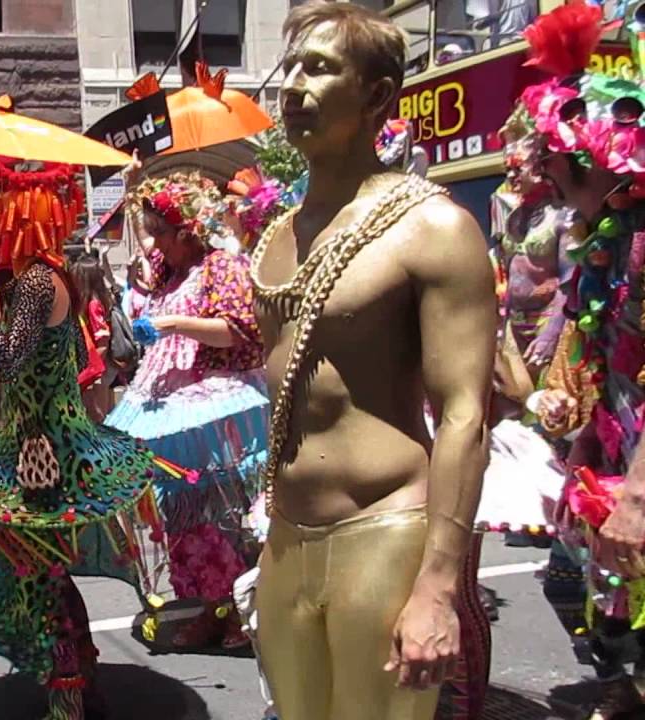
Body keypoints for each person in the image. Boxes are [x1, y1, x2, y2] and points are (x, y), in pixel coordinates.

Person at [249, 4, 495, 719]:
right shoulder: (277, 235)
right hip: (288, 540)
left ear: (379, 95)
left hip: (384, 534)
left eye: (320, 68)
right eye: (289, 68)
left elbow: (465, 416)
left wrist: (438, 587)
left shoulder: (433, 227)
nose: (293, 87)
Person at [0, 248, 165, 719]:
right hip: (43, 444)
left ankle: (69, 701)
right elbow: (77, 354)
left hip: (41, 458)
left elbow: (8, 362)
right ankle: (81, 682)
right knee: (43, 572)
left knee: (39, 577)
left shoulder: (38, 282)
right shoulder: (53, 276)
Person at [516, 5, 645, 714]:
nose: (548, 177)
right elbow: (606, 357)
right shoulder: (608, 236)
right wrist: (584, 430)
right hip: (623, 448)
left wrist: (636, 492)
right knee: (618, 594)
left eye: (558, 164)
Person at [106, 171, 269, 651]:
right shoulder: (166, 270)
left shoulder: (223, 266)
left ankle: (241, 608)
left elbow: (239, 331)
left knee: (225, 513)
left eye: (160, 231)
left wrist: (174, 323)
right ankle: (206, 607)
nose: (154, 242)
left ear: (186, 230)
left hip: (213, 404)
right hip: (163, 404)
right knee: (181, 515)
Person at [71, 252, 116, 422]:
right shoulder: (92, 302)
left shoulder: (93, 305)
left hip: (97, 372)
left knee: (98, 417)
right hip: (95, 370)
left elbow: (103, 342)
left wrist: (90, 368)